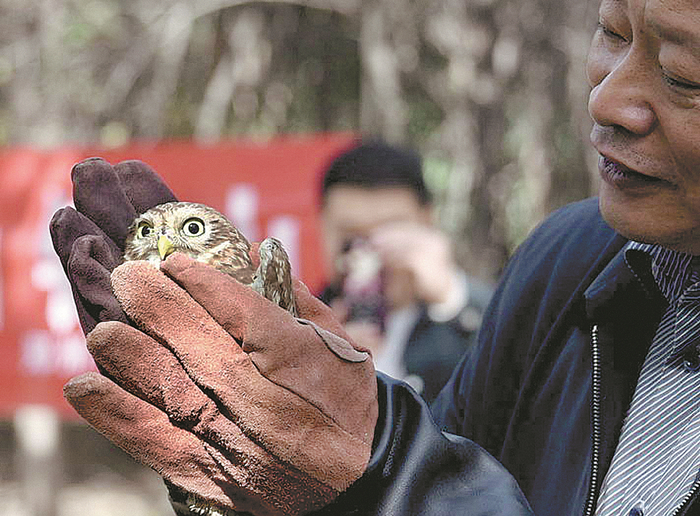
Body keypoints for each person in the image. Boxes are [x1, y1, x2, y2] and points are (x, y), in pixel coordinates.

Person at [48, 0, 700, 514]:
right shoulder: (566, 263)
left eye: (682, 75)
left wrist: (375, 468)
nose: (607, 100)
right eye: (610, 32)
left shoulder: (465, 308)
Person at [318, 141, 493, 403]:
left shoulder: (475, 316)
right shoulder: (300, 325)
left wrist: (450, 300)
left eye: (390, 232)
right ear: (324, 228)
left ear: (426, 219)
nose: (369, 251)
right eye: (351, 235)